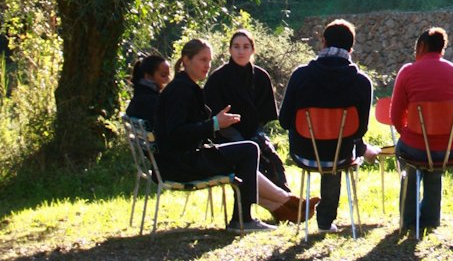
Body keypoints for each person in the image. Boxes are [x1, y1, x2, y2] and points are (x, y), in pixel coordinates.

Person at [155, 38, 310, 233]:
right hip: (180, 163)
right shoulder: (180, 90)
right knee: (247, 150)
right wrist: (214, 124)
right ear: (186, 60)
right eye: (202, 60)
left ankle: (280, 207)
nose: (207, 65)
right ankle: (269, 209)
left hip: (184, 157)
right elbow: (176, 134)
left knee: (248, 149)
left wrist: (213, 125)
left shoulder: (187, 86)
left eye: (209, 60)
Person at [279, 19, 378, 234]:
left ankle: (319, 218)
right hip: (340, 154)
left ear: (323, 43)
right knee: (338, 152)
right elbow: (360, 130)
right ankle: (325, 220)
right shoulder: (362, 82)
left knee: (332, 147)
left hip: (304, 151)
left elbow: (284, 121)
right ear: (351, 48)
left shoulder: (300, 75)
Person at [390, 26, 453, 236]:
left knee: (410, 160)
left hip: (415, 147)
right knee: (435, 161)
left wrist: (408, 134)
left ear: (421, 46)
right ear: (442, 49)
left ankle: (409, 220)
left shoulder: (408, 72)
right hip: (449, 149)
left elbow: (395, 116)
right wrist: (449, 138)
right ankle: (431, 218)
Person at [205, 29, 289, 190]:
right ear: (230, 50)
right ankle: (278, 201)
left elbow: (264, 114)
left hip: (254, 132)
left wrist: (254, 135)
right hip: (225, 136)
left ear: (252, 49)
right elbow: (211, 115)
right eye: (236, 46)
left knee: (271, 157)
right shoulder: (218, 78)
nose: (241, 51)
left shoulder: (261, 76)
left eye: (245, 46)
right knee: (248, 155)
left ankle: (286, 197)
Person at [125, 52, 171, 126]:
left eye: (168, 75)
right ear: (148, 77)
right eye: (163, 75)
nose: (167, 80)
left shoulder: (139, 96)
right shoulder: (152, 101)